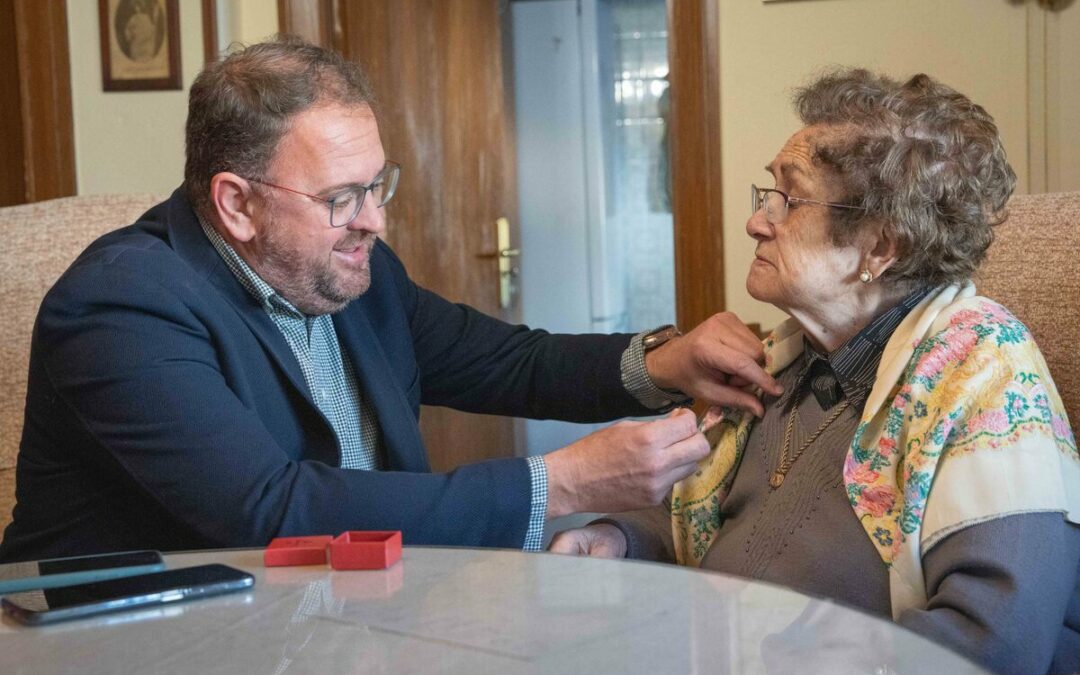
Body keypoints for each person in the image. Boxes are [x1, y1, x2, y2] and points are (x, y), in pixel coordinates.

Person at [0, 37, 782, 563]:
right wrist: (563, 483)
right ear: (236, 204)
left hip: (352, 620)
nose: (374, 218)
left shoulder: (351, 269)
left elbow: (510, 360)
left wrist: (664, 365)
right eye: (343, 195)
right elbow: (268, 514)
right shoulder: (121, 305)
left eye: (378, 184)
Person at [551, 69, 1079, 674]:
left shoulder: (984, 375)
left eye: (790, 200)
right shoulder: (789, 358)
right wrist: (621, 538)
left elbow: (997, 642)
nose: (756, 221)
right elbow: (699, 517)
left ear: (881, 247)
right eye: (766, 194)